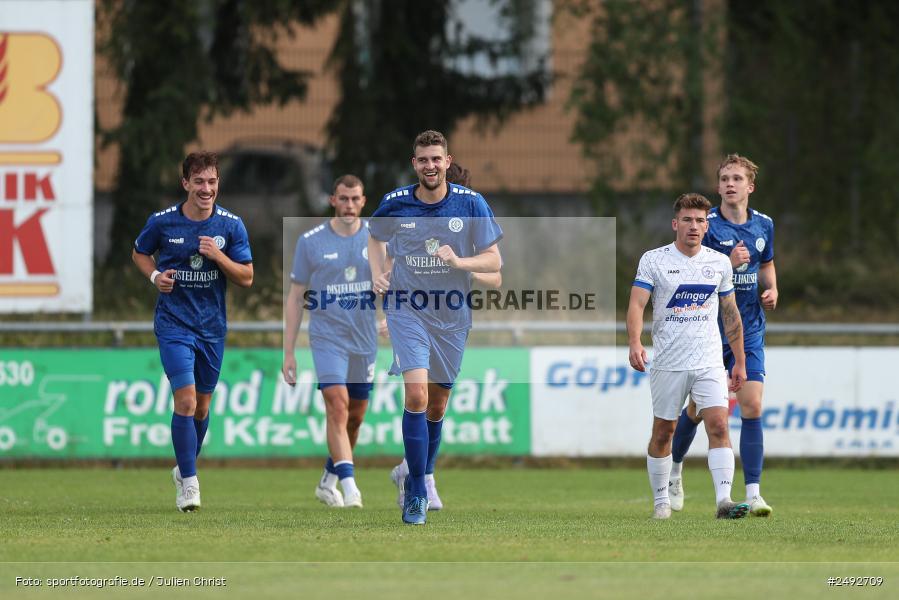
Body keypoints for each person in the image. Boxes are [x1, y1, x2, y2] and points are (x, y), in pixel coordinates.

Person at [369, 130, 502, 524]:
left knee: (437, 404)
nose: (430, 166)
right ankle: (415, 494)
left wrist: (461, 264)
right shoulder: (395, 203)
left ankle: (420, 474)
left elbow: (494, 262)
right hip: (407, 309)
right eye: (423, 159)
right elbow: (374, 238)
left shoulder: (471, 203)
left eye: (436, 159)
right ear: (415, 164)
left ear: (448, 161)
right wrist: (379, 274)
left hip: (452, 315)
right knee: (416, 396)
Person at [132, 151, 253, 512]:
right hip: (173, 324)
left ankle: (184, 468)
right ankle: (189, 482)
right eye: (198, 181)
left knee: (201, 408)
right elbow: (139, 252)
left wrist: (219, 258)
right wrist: (156, 277)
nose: (206, 188)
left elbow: (247, 277)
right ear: (185, 183)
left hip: (212, 328)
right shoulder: (163, 222)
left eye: (212, 181)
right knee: (184, 400)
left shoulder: (231, 226)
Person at [627, 192, 749, 520]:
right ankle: (661, 502)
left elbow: (730, 313)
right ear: (675, 224)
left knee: (719, 424)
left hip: (709, 360)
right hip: (668, 361)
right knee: (664, 431)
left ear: (707, 225)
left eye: (700, 221)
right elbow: (637, 304)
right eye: (687, 220)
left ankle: (724, 501)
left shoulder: (719, 263)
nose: (694, 226)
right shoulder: (654, 260)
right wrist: (635, 342)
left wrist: (738, 360)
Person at [668, 155, 777, 517]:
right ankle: (675, 468)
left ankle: (754, 493)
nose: (731, 184)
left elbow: (767, 263)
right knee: (697, 412)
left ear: (750, 187)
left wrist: (772, 288)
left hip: (749, 330)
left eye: (737, 179)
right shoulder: (706, 224)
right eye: (725, 179)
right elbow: (693, 272)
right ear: (718, 187)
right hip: (708, 333)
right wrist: (727, 263)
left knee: (752, 405)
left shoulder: (764, 225)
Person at [282, 175, 377, 509]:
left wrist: (391, 318)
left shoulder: (377, 240)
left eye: (355, 199)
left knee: (355, 417)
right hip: (326, 338)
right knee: (337, 404)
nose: (349, 205)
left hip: (364, 340)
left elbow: (396, 284)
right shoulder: (311, 242)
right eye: (343, 198)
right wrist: (289, 351)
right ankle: (351, 489)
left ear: (363, 202)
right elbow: (295, 298)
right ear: (332, 201)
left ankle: (328, 480)